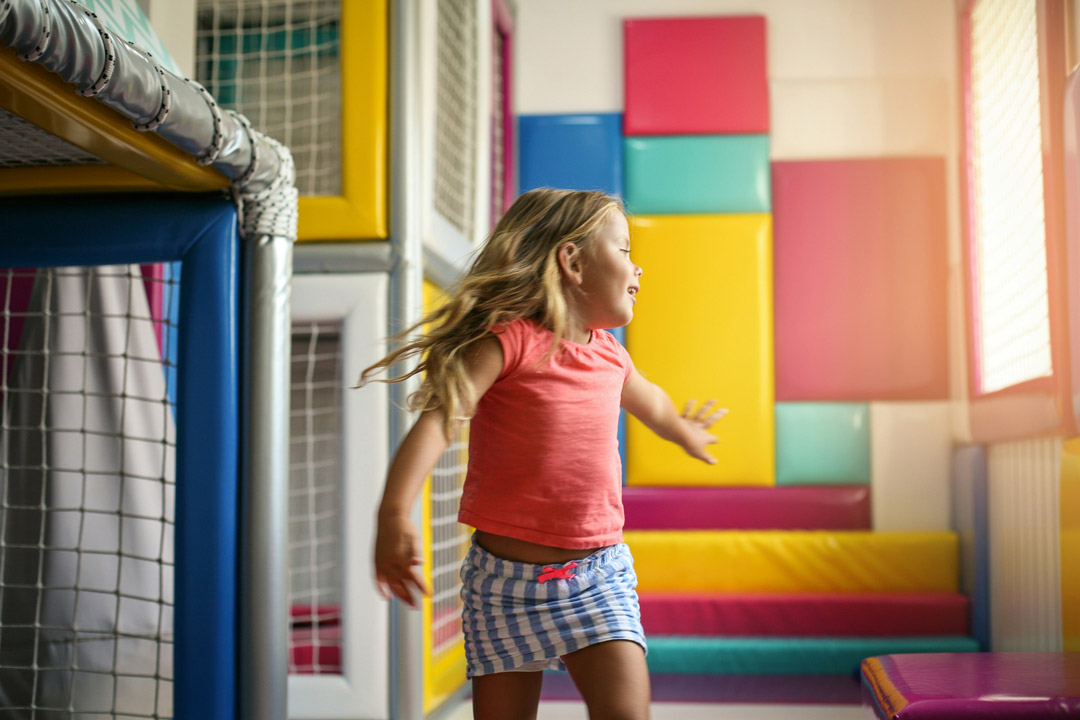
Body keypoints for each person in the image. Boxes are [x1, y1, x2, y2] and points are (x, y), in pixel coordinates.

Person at [359, 188, 726, 720]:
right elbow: (440, 419)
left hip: (598, 577)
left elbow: (654, 403)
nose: (637, 268)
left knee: (627, 713)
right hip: (503, 586)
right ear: (572, 261)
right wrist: (394, 512)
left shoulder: (610, 354)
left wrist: (682, 431)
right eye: (624, 250)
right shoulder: (509, 343)